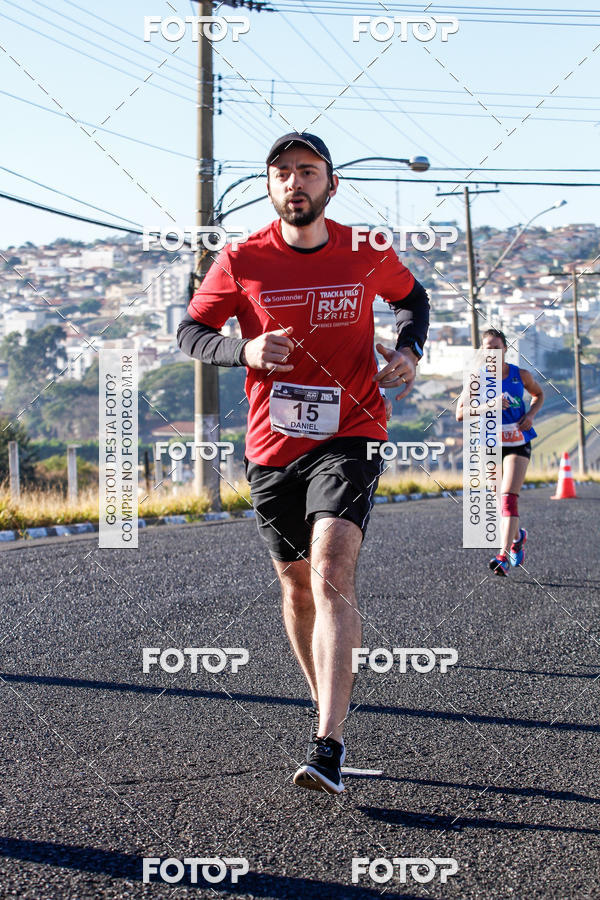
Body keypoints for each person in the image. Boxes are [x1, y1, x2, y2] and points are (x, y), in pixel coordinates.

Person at [178, 132, 429, 793]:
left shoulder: (367, 251)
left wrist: (410, 351)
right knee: (295, 586)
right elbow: (191, 333)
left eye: (308, 171)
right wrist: (245, 352)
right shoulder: (240, 258)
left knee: (330, 567)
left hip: (352, 429)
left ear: (330, 185)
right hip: (272, 444)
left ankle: (328, 743)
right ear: (269, 187)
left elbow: (414, 300)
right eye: (282, 172)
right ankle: (327, 707)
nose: (295, 182)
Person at [456, 328, 544, 576]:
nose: (492, 351)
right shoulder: (477, 378)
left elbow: (539, 394)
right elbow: (460, 413)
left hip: (518, 442)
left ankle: (503, 555)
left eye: (496, 347)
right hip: (490, 445)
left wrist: (530, 415)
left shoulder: (520, 375)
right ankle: (518, 537)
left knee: (508, 498)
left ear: (505, 349)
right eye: (487, 347)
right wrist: (488, 406)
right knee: (498, 500)